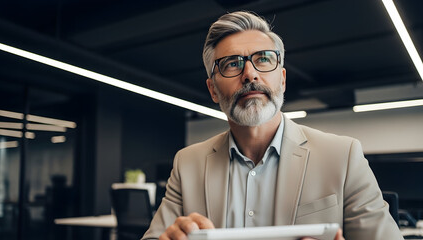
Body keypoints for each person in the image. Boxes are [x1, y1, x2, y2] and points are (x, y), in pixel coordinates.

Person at [142, 11, 403, 240]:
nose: (250, 74)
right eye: (232, 64)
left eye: (264, 59)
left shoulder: (343, 156)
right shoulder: (187, 163)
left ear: (283, 78)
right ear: (212, 89)